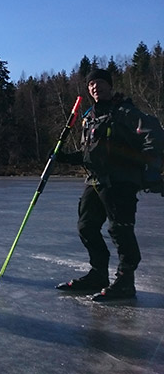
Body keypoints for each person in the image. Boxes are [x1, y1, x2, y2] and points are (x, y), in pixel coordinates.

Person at [55, 68, 160, 301]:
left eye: (100, 83)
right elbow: (88, 153)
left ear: (110, 86)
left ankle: (125, 282)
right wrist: (63, 157)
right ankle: (98, 274)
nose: (95, 87)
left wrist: (151, 168)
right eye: (91, 84)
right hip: (95, 180)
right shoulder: (90, 118)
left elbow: (153, 134)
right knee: (86, 227)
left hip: (120, 181)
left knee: (120, 230)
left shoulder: (125, 112)